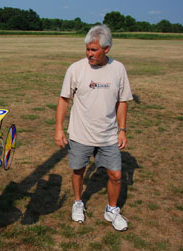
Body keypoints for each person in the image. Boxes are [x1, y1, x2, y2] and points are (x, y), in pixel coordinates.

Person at [54, 25, 133, 231]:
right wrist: (59, 129)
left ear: (106, 49)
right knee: (78, 170)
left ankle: (112, 210)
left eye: (94, 50)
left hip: (108, 135)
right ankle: (78, 203)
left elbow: (122, 101)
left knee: (116, 175)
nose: (89, 54)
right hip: (80, 134)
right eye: (87, 49)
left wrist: (122, 129)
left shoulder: (118, 69)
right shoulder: (75, 69)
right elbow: (64, 100)